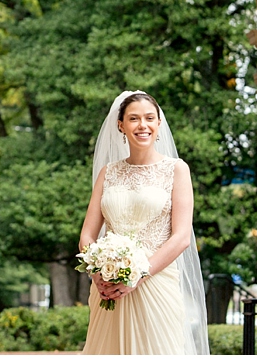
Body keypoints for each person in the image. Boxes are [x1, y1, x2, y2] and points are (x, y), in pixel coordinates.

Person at [80, 91, 210, 354]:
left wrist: (137, 276)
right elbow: (87, 236)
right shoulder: (109, 172)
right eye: (134, 119)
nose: (143, 125)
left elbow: (181, 237)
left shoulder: (176, 170)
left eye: (150, 118)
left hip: (156, 285)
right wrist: (98, 274)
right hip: (109, 291)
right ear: (121, 125)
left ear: (159, 123)